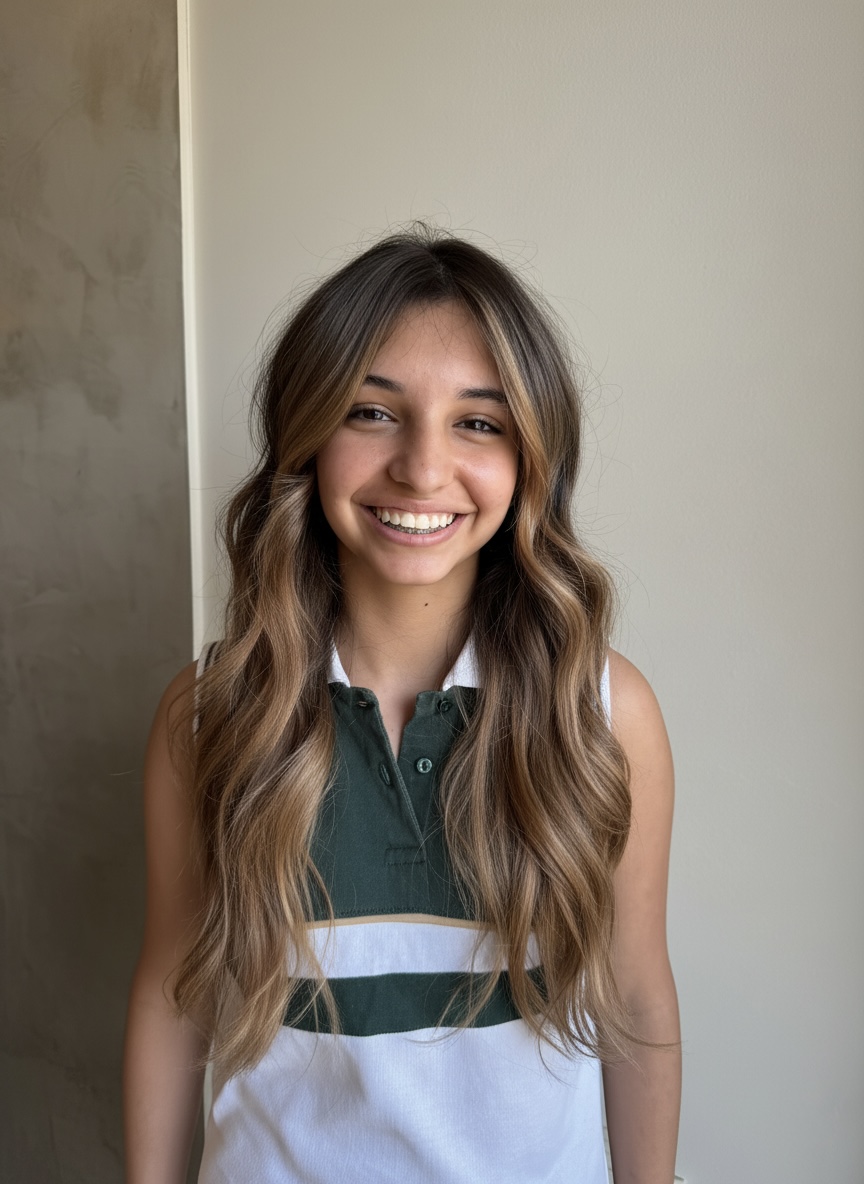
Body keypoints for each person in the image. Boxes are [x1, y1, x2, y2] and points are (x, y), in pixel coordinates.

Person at [123, 228, 681, 1183]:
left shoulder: (603, 711)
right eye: (372, 412)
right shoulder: (211, 715)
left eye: (478, 423)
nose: (422, 469)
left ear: (532, 454)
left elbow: (635, 999)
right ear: (307, 433)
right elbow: (174, 1000)